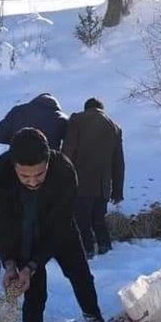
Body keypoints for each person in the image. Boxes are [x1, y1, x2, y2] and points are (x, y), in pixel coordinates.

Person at [0, 127, 105, 322]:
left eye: (39, 174)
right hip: (23, 232)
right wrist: (11, 262)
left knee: (80, 274)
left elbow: (60, 224)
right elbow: (1, 223)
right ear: (14, 167)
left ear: (48, 161)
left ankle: (95, 317)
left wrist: (33, 265)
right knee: (33, 293)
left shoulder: (64, 171)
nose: (32, 182)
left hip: (58, 227)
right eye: (24, 176)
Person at [61, 97, 125, 258]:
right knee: (98, 219)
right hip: (103, 185)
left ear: (86, 108)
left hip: (80, 182)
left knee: (81, 220)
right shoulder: (114, 127)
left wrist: (61, 177)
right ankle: (105, 247)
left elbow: (68, 151)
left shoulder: (76, 120)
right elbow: (119, 162)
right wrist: (117, 190)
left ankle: (86, 250)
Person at [0, 93, 68, 150]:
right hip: (48, 164)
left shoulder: (18, 111)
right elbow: (71, 144)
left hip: (18, 161)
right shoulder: (62, 118)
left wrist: (20, 142)